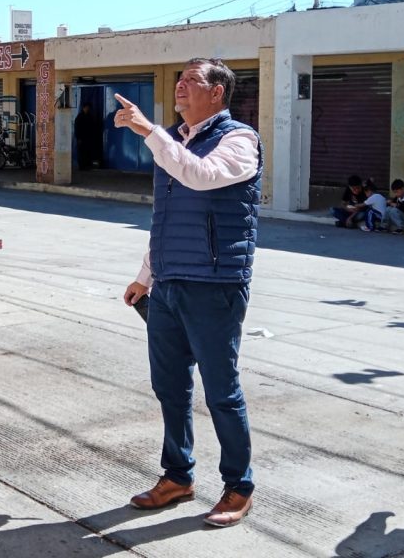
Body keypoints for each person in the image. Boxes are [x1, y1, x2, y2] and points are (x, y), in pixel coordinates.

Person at [118, 57, 260, 529]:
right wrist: (145, 275)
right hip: (169, 284)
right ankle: (177, 476)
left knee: (221, 391)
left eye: (191, 80)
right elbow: (167, 220)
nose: (180, 86)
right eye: (179, 80)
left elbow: (202, 175)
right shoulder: (176, 143)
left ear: (217, 92)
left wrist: (149, 131)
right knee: (170, 387)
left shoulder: (239, 139)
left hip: (214, 286)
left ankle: (239, 486)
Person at [74, 102, 95, 170]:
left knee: (88, 151)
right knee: (82, 152)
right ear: (83, 108)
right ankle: (82, 166)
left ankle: (87, 165)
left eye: (88, 108)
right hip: (82, 138)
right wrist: (78, 138)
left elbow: (92, 128)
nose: (87, 109)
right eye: (86, 107)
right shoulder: (80, 117)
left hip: (88, 138)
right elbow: (77, 128)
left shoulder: (90, 116)